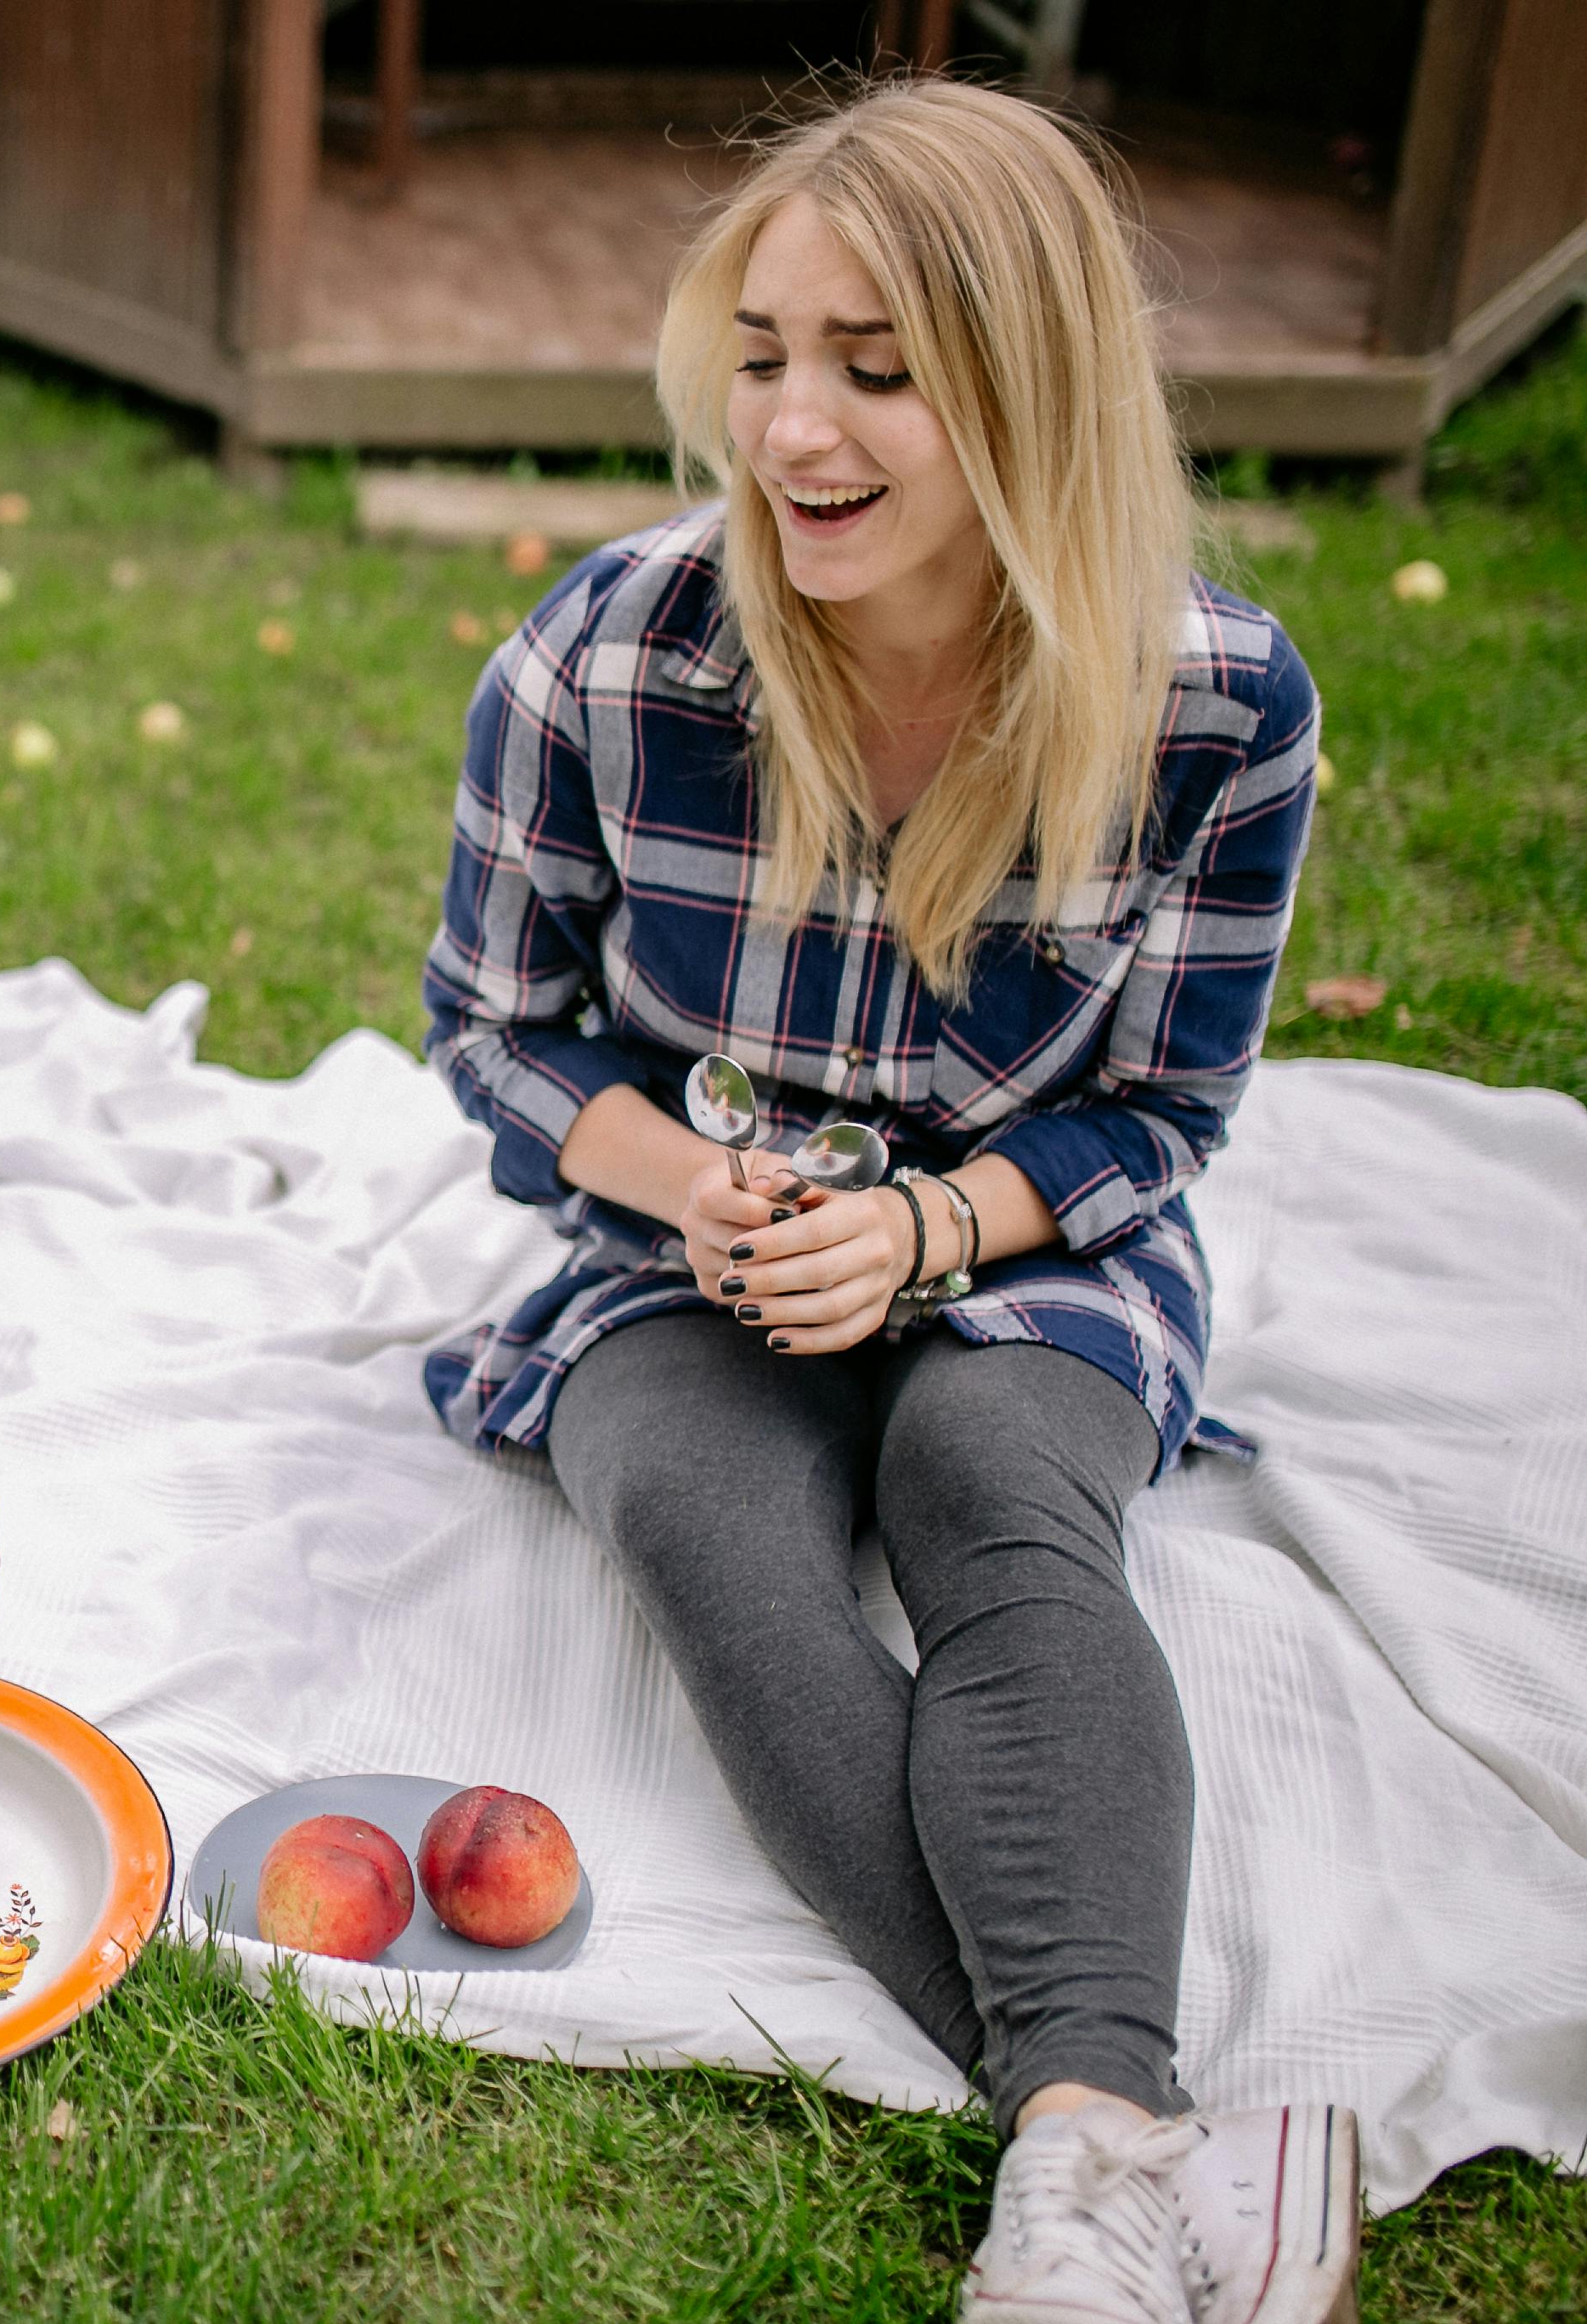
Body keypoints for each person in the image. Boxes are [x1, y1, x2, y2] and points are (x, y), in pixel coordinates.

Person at [421, 81, 1355, 2324]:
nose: (795, 428)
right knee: (700, 1517)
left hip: (1029, 1245)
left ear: (1027, 388)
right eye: (763, 354)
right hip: (685, 1244)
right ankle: (1115, 2140)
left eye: (878, 366)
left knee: (992, 1480)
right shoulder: (610, 656)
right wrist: (693, 1187)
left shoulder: (1214, 705)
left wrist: (932, 1236)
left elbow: (1158, 1116)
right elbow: (495, 1033)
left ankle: (1089, 2145)